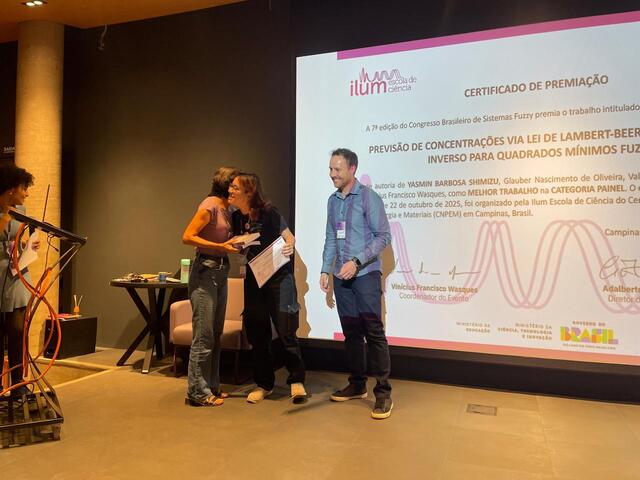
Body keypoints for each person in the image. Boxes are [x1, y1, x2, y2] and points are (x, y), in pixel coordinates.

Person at [320, 148, 393, 419]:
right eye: (330, 169)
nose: (332, 174)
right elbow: (331, 236)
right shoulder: (332, 201)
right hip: (341, 277)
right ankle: (357, 384)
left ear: (352, 169)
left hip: (365, 275)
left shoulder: (368, 198)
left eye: (337, 169)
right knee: (351, 332)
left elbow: (383, 236)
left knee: (373, 332)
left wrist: (357, 261)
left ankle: (383, 393)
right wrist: (326, 269)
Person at [228, 173, 307, 404]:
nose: (230, 191)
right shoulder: (236, 217)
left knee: (286, 330)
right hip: (253, 279)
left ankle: (296, 380)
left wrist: (289, 246)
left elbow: (289, 237)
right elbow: (239, 247)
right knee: (257, 332)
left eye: (235, 187)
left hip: (279, 279)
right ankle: (264, 383)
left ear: (249, 192)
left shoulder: (268, 212)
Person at [182, 166, 239, 407]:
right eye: (235, 185)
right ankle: (197, 392)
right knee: (203, 335)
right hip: (205, 271)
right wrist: (220, 247)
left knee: (215, 333)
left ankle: (212, 385)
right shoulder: (210, 205)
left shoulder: (228, 208)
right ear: (225, 185)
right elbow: (187, 236)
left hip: (221, 270)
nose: (238, 189)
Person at [0, 163, 39, 396]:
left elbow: (21, 239)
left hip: (18, 279)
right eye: (24, 188)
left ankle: (17, 383)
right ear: (10, 189)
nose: (26, 193)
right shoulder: (7, 215)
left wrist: (28, 245)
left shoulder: (22, 213)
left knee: (17, 331)